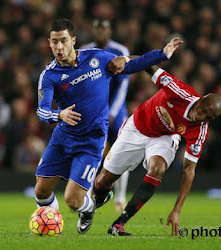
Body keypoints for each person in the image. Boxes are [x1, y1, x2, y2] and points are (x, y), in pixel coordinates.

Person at [34, 18, 183, 234]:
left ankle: (89, 207)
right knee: (40, 191)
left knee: (73, 201)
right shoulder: (49, 76)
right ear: (49, 43)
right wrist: (59, 114)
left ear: (73, 40)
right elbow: (42, 110)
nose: (59, 47)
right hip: (63, 137)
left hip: (91, 140)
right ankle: (50, 224)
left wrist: (162, 54)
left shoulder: (97, 58)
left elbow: (131, 64)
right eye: (54, 41)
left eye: (63, 40)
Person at [91, 65, 221, 236]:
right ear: (200, 100)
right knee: (103, 181)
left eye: (208, 118)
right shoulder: (178, 91)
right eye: (203, 111)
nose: (202, 117)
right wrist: (125, 60)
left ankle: (119, 224)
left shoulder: (200, 130)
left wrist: (177, 210)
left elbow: (189, 170)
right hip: (138, 126)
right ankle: (101, 197)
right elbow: (148, 66)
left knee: (158, 168)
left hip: (165, 136)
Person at [80, 18, 130, 212]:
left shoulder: (121, 51)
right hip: (94, 108)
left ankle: (120, 197)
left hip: (115, 110)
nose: (100, 32)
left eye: (104, 29)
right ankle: (86, 194)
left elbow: (123, 84)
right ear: (92, 30)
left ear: (110, 31)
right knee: (91, 150)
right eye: (97, 28)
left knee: (121, 151)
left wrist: (114, 111)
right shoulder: (85, 50)